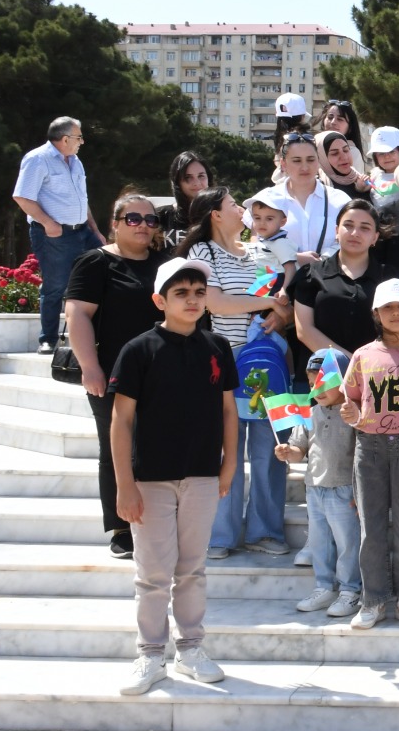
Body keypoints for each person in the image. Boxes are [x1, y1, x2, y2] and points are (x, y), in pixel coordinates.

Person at [110, 257, 236, 696]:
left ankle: (191, 648)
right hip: (151, 479)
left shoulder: (217, 348)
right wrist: (124, 484)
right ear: (160, 299)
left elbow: (227, 410)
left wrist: (229, 463)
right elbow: (121, 420)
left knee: (192, 568)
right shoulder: (139, 349)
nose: (192, 300)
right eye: (181, 293)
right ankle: (149, 653)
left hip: (201, 474)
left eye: (199, 292)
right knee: (153, 571)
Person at [177, 188, 291, 559]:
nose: (242, 209)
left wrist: (280, 311)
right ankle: (220, 535)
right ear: (215, 214)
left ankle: (266, 530)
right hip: (221, 364)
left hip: (264, 365)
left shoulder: (259, 249)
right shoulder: (203, 253)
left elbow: (285, 298)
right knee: (223, 452)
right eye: (233, 205)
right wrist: (268, 301)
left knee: (268, 451)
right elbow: (214, 302)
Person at [65, 189, 170, 558]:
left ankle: (154, 519)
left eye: (150, 219)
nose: (143, 226)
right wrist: (89, 367)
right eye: (134, 219)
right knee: (116, 450)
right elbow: (77, 314)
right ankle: (121, 527)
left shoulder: (165, 263)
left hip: (163, 374)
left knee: (156, 447)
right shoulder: (96, 262)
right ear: (115, 224)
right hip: (112, 373)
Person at [337, 280, 399, 630]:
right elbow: (348, 399)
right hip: (370, 447)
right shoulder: (363, 355)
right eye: (388, 307)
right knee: (372, 528)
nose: (395, 313)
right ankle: (374, 599)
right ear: (376, 313)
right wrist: (349, 413)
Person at [277, 350, 361, 618]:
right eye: (313, 382)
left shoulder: (354, 414)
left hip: (344, 489)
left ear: (346, 381)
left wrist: (360, 492)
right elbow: (299, 448)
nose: (318, 388)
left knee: (348, 543)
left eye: (325, 381)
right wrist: (288, 452)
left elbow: (363, 456)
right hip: (314, 488)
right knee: (319, 541)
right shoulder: (308, 413)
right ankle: (324, 586)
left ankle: (350, 591)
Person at [13, 116, 104, 353]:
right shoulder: (37, 159)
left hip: (83, 231)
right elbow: (22, 197)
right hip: (55, 234)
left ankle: (98, 333)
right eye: (78, 137)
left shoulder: (76, 162)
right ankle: (48, 338)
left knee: (104, 271)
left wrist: (96, 231)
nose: (82, 142)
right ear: (65, 139)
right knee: (55, 286)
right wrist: (48, 223)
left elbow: (82, 200)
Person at [289, 200, 396, 363]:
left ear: (375, 237)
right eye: (348, 225)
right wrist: (353, 363)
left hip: (376, 375)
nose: (355, 233)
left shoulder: (390, 279)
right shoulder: (310, 274)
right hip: (318, 378)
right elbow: (304, 331)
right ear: (337, 231)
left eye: (365, 228)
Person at [275, 132, 351, 267]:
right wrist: (294, 257)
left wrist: (324, 258)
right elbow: (256, 246)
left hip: (328, 282)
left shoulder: (340, 200)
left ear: (319, 161)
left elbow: (351, 243)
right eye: (297, 160)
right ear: (283, 163)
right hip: (279, 284)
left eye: (311, 160)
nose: (305, 167)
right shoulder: (268, 199)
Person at [159, 151, 211, 247]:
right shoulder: (161, 216)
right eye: (188, 177)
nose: (196, 182)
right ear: (177, 182)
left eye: (201, 176)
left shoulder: (219, 215)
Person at [317, 131, 371, 199]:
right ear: (322, 157)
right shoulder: (318, 188)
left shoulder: (360, 181)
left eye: (346, 150)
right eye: (335, 153)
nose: (344, 157)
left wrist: (362, 190)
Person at [365, 126, 399, 207]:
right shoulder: (374, 176)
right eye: (381, 153)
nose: (387, 157)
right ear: (375, 157)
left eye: (391, 152)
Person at [318, 99, 367, 169]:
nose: (333, 122)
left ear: (350, 128)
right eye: (330, 117)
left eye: (340, 119)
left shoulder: (353, 153)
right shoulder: (313, 147)